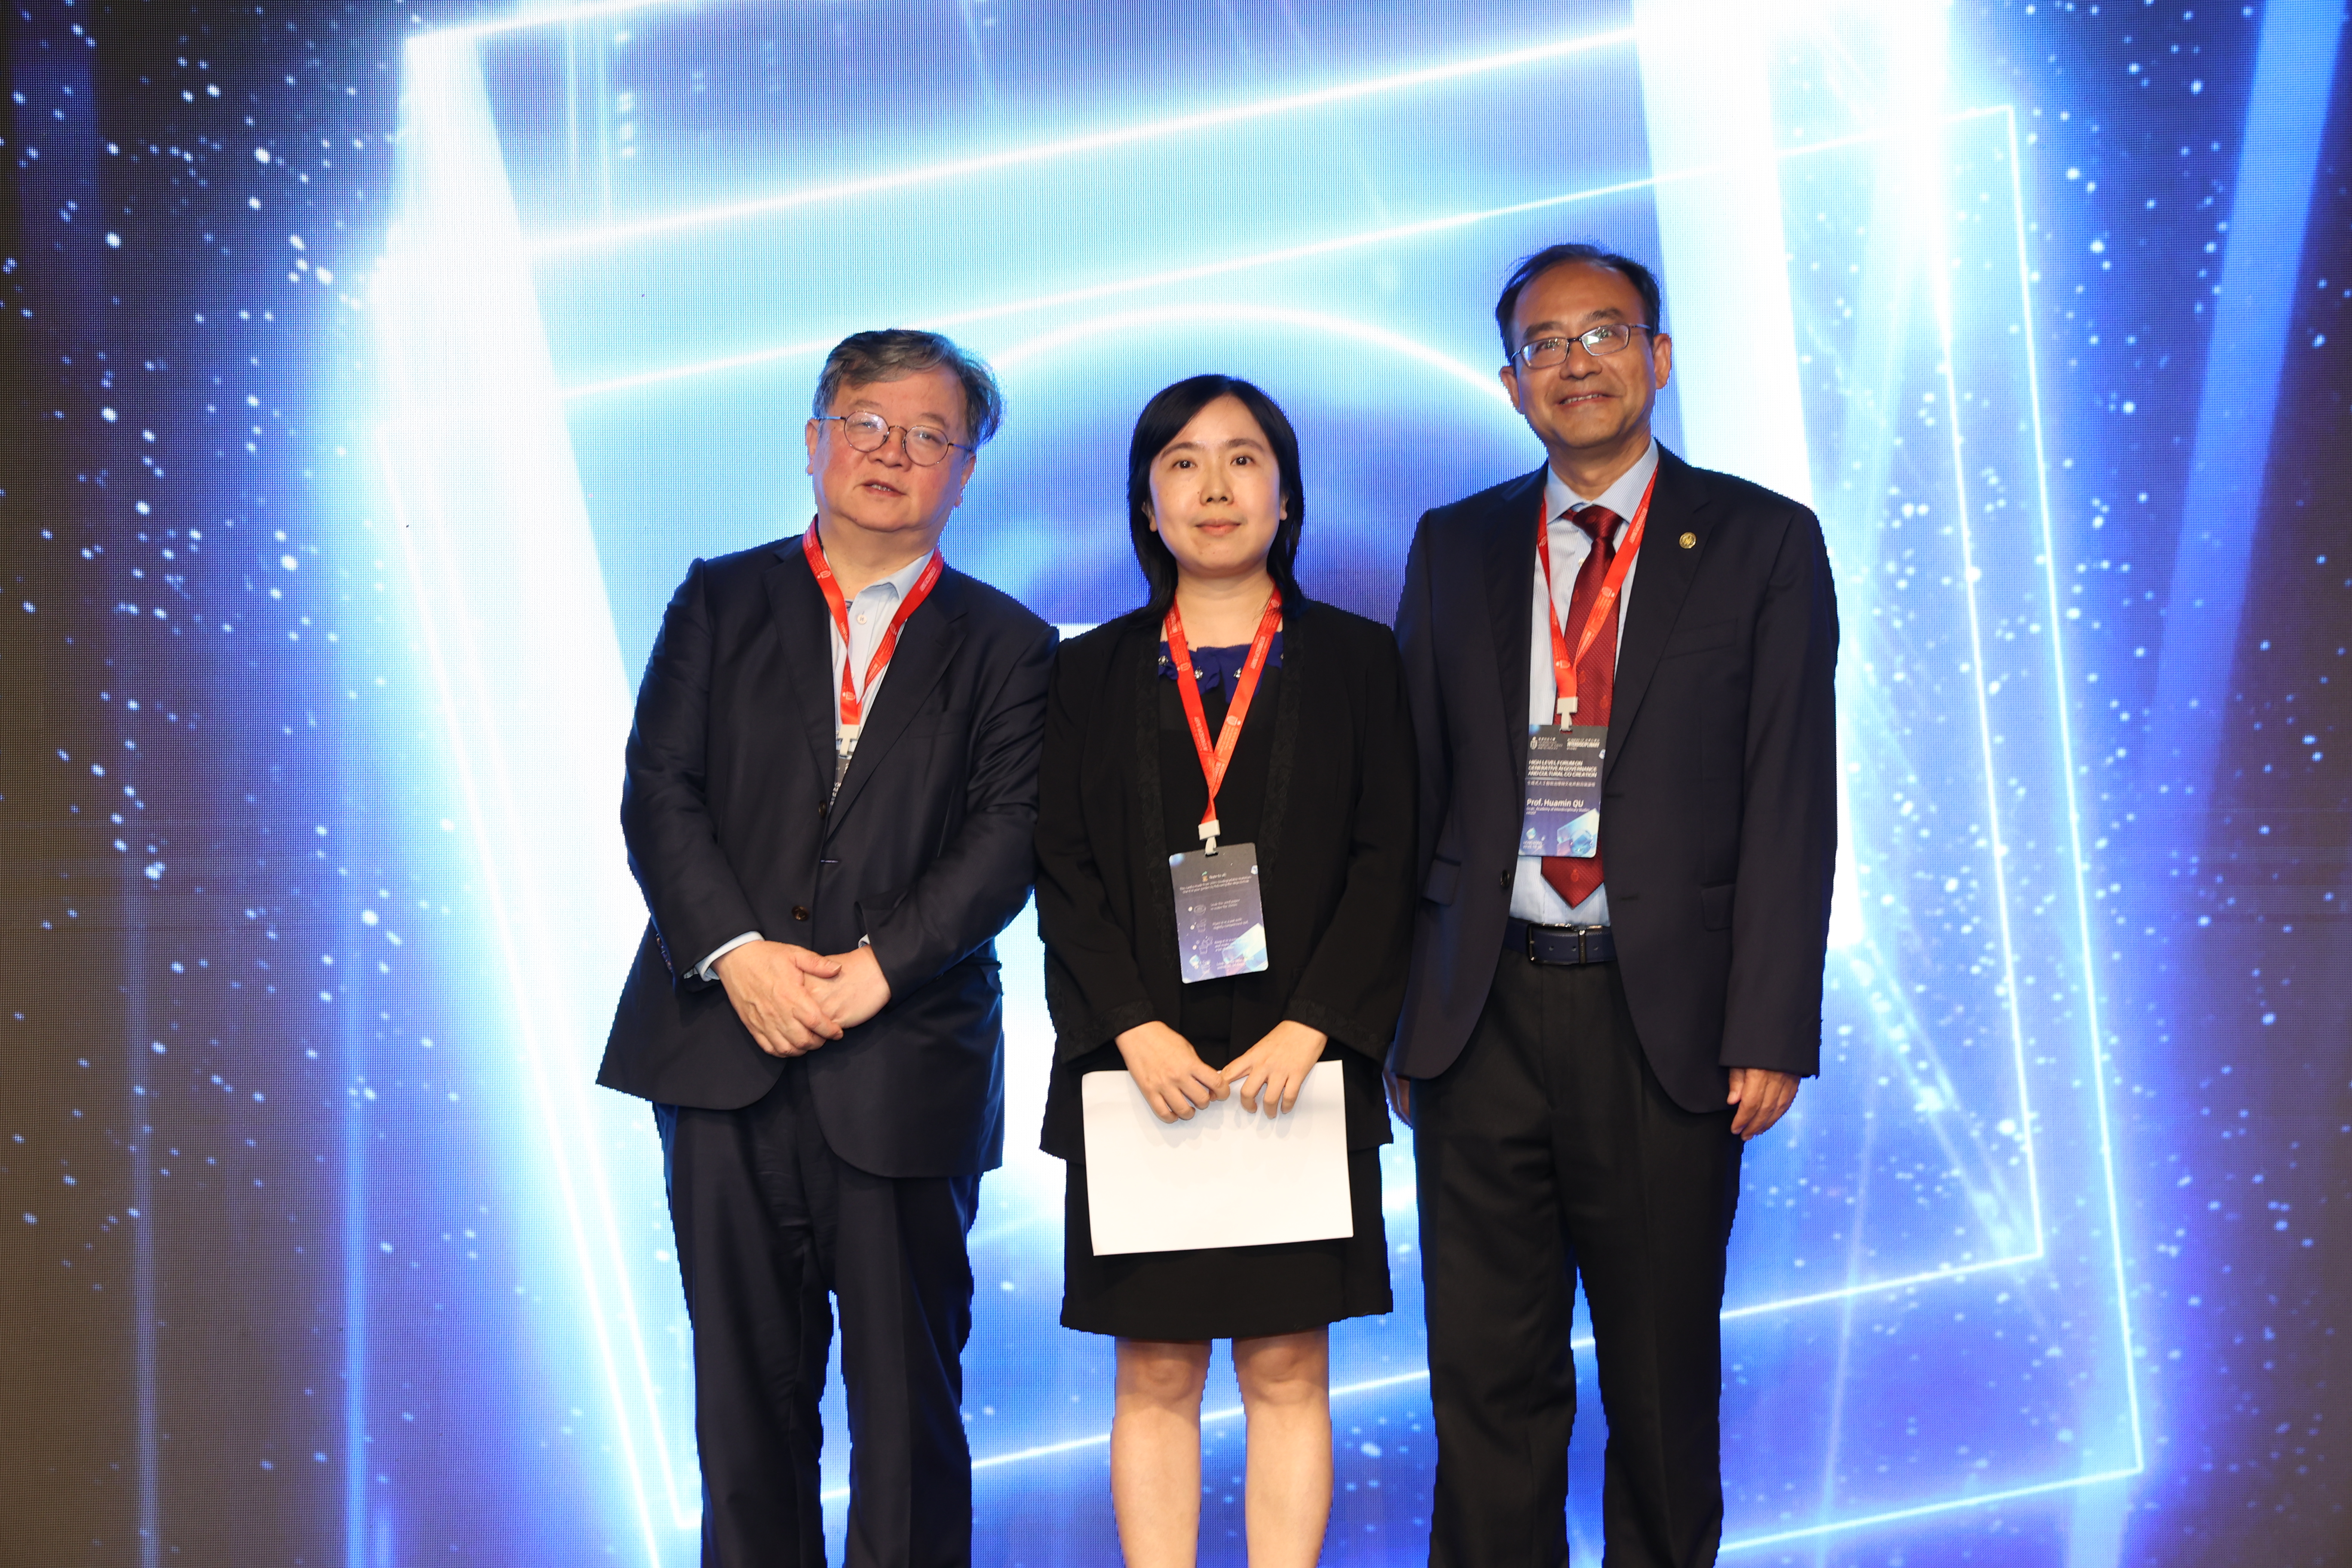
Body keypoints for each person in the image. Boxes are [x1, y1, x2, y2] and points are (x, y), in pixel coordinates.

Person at [1389, 244, 1840, 1566]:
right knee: (1484, 1382)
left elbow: (1789, 800)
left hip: (1672, 1024)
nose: (1575, 361)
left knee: (1657, 1384)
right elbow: (1416, 789)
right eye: (1545, 343)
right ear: (1512, 381)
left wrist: (1769, 1022)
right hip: (1479, 1020)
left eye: (1604, 332)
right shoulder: (1458, 543)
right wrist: (1403, 1021)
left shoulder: (1760, 541)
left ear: (1659, 355)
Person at [597, 329, 1056, 1567]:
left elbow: (1008, 838)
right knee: (745, 1410)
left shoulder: (1009, 645)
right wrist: (737, 953)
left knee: (909, 1417)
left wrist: (873, 973)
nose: (891, 454)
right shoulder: (722, 597)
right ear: (814, 442)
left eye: (928, 437)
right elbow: (659, 793)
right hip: (719, 1049)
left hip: (905, 1057)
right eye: (866, 423)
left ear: (964, 473)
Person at [1033, 375, 1416, 1568]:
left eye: (1244, 460)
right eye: (1184, 463)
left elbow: (1388, 858)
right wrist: (1131, 1028)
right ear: (1147, 504)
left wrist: (1317, 1026)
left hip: (1296, 1060)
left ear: (1287, 497)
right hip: (1139, 1067)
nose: (1214, 487)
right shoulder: (1084, 673)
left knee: (1290, 1364)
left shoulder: (1360, 661)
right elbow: (1066, 874)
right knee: (1152, 1369)